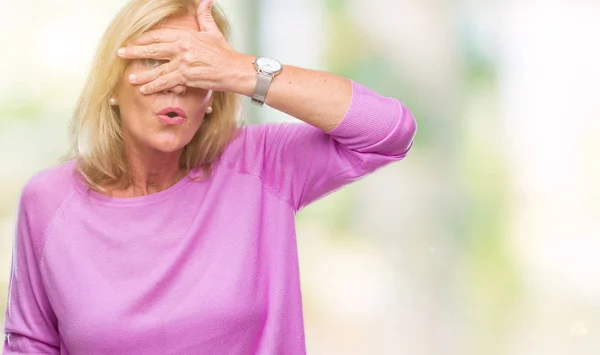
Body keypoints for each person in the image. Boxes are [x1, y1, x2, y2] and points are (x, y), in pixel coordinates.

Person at [2, 0, 416, 353]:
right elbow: (29, 345)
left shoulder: (261, 164)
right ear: (112, 85)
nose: (177, 84)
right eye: (157, 63)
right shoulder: (49, 200)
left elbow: (388, 131)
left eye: (197, 68)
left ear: (214, 96)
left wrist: (240, 71)